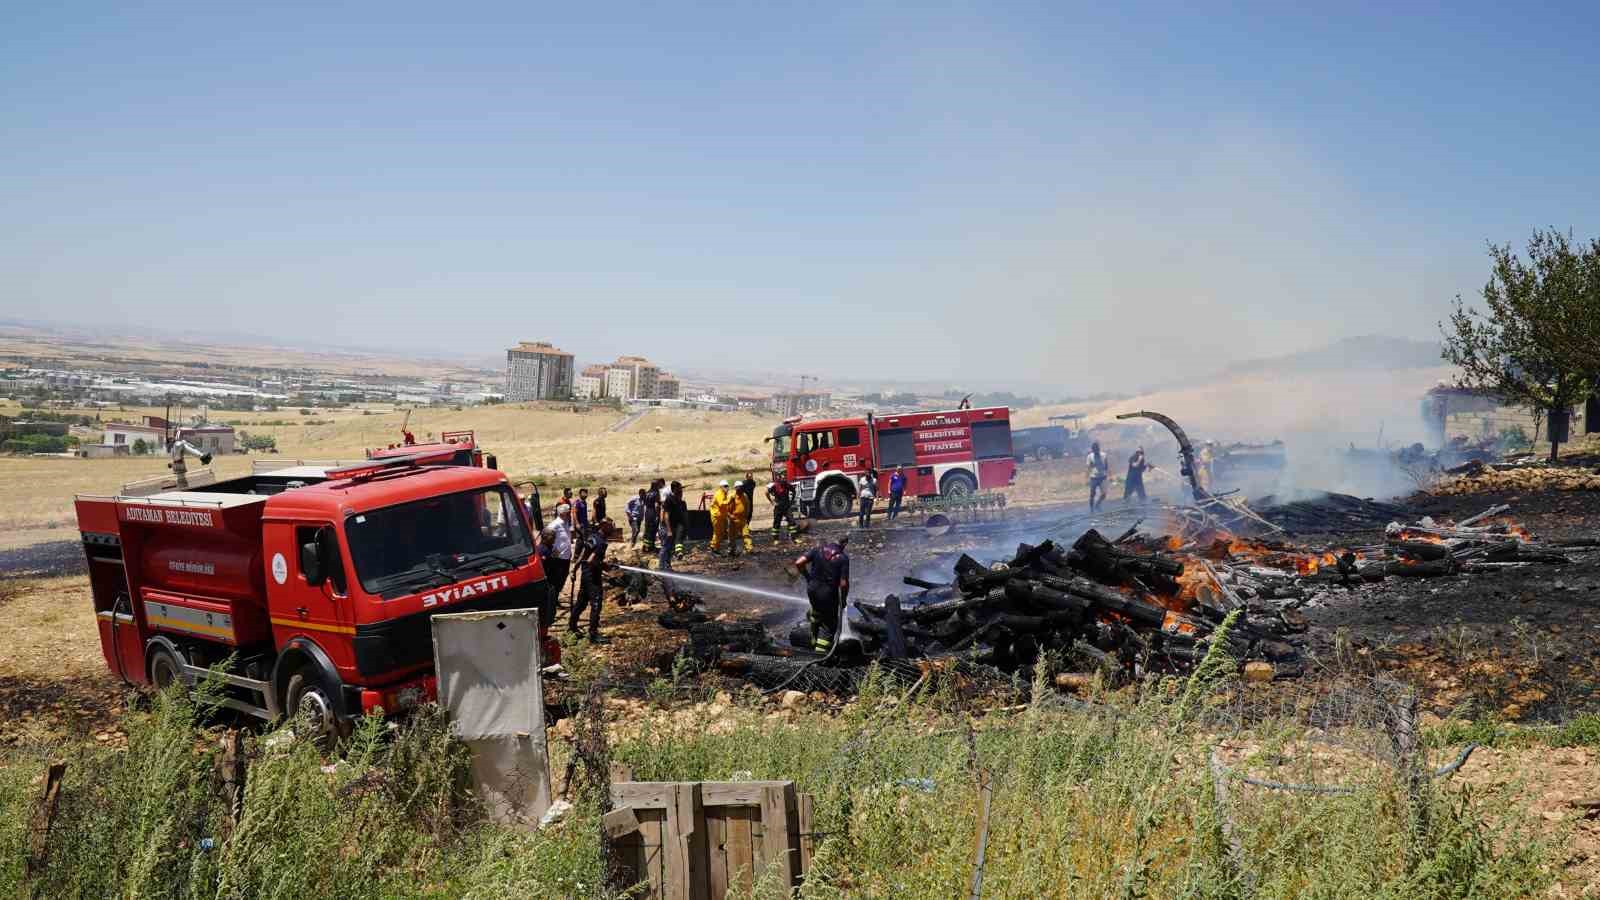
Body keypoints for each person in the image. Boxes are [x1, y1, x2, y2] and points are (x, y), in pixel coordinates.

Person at [794, 535, 849, 653]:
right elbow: (843, 584)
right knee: (829, 626)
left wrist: (807, 576)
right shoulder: (843, 558)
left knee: (816, 613)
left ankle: (813, 640)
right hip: (828, 594)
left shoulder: (816, 550)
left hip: (812, 590)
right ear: (843, 544)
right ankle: (819, 654)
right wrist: (843, 600)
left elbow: (798, 562)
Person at [570, 518, 618, 642]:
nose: (613, 527)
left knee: (581, 602)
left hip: (585, 573)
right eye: (610, 525)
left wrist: (574, 570)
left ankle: (572, 627)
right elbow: (592, 561)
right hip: (592, 576)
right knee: (596, 604)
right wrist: (605, 567)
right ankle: (593, 634)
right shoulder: (601, 542)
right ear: (603, 526)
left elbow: (583, 555)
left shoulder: (593, 537)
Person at [657, 481, 687, 602]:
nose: (681, 492)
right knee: (665, 547)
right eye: (679, 490)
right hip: (668, 528)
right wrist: (669, 530)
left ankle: (667, 565)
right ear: (674, 490)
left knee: (670, 548)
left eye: (682, 490)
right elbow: (666, 516)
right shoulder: (669, 500)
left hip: (675, 527)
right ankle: (662, 567)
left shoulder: (680, 501)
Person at [544, 504, 574, 604]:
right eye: (568, 512)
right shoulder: (554, 524)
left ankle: (555, 599)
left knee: (562, 579)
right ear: (562, 513)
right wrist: (554, 551)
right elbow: (546, 537)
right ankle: (552, 600)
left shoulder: (565, 523)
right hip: (558, 558)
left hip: (566, 556)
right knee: (556, 580)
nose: (570, 514)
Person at [767, 474, 799, 544]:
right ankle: (776, 539)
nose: (784, 480)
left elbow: (794, 491)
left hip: (787, 507)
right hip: (778, 508)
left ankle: (794, 538)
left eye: (784, 479)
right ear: (779, 479)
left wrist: (792, 500)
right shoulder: (775, 486)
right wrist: (772, 502)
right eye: (782, 479)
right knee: (776, 523)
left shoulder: (787, 485)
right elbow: (766, 492)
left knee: (792, 521)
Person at [709, 480, 733, 554]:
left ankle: (715, 547)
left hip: (721, 516)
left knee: (720, 532)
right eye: (725, 486)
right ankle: (714, 547)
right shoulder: (719, 494)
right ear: (721, 487)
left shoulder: (724, 494)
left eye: (727, 486)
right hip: (716, 516)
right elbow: (722, 504)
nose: (727, 488)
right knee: (718, 532)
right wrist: (730, 499)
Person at [1086, 442, 1109, 512]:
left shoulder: (1104, 455)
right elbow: (1088, 467)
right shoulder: (1090, 456)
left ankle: (1097, 504)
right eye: (1094, 450)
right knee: (1092, 494)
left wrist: (1107, 474)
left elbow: (1106, 466)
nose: (1096, 451)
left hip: (1102, 477)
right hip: (1094, 477)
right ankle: (1091, 509)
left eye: (1097, 450)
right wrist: (1086, 478)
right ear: (1093, 450)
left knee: (1104, 494)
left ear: (1098, 449)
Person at [730, 483, 753, 554]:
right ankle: (732, 550)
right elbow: (727, 508)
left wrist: (746, 515)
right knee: (732, 536)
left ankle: (749, 549)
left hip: (743, 519)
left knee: (746, 534)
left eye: (741, 488)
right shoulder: (732, 496)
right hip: (734, 519)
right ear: (735, 488)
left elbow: (748, 506)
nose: (740, 489)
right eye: (738, 488)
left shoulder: (745, 496)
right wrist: (730, 516)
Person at [641, 479, 662, 553]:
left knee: (647, 530)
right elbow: (656, 505)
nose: (659, 486)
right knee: (653, 530)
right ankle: (650, 547)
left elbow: (644, 503)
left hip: (647, 512)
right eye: (658, 485)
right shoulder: (656, 493)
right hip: (653, 512)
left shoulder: (647, 493)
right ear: (655, 485)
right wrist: (657, 515)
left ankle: (645, 546)